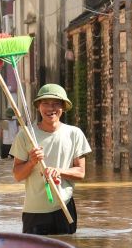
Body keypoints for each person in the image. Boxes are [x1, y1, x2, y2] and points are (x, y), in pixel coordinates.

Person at [10, 84, 91, 235]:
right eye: (45, 103)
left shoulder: (74, 134)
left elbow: (80, 173)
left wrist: (58, 171)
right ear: (39, 107)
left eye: (56, 103)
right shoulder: (26, 135)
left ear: (63, 107)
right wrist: (32, 162)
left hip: (64, 207)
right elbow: (17, 175)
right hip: (34, 211)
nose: (50, 108)